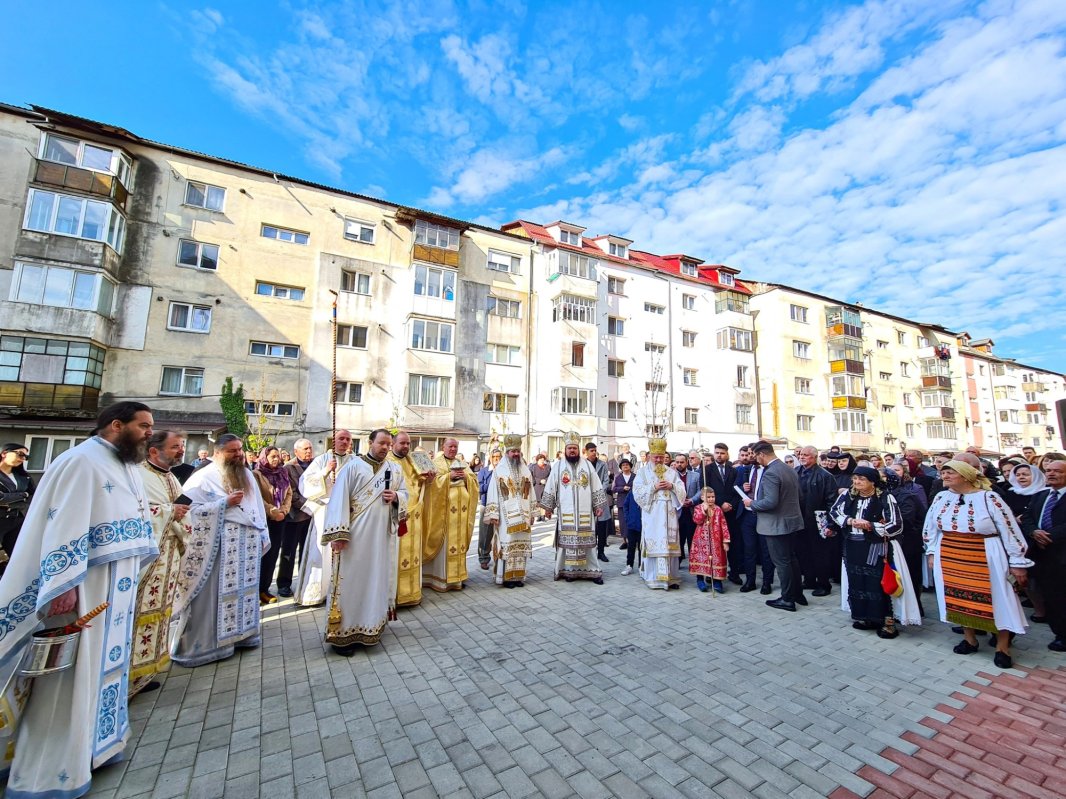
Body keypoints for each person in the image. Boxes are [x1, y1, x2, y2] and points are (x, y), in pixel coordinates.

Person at [0, 402, 156, 799]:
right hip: (82, 587)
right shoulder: (80, 461)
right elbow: (62, 523)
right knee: (70, 677)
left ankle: (97, 747)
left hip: (113, 588)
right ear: (116, 425)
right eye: (144, 426)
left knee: (103, 669)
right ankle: (50, 771)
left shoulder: (127, 465)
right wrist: (62, 583)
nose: (149, 433)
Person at [171, 434, 269, 667]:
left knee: (244, 592)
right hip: (217, 549)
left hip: (245, 548)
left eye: (239, 450)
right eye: (232, 451)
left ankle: (243, 636)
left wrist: (263, 531)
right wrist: (223, 504)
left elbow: (256, 506)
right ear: (217, 453)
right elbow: (186, 511)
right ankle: (205, 648)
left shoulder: (246, 474)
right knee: (213, 597)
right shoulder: (201, 478)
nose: (238, 455)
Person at [924, 459, 1032, 668]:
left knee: (999, 598)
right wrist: (931, 551)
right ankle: (970, 639)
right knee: (958, 596)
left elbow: (1009, 529)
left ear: (966, 476)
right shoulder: (940, 497)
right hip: (950, 553)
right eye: (943, 472)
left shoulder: (989, 497)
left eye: (950, 472)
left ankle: (1002, 647)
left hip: (986, 553)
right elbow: (931, 526)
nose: (944, 476)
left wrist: (1017, 561)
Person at [321, 429, 406, 655]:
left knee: (375, 581)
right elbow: (338, 500)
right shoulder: (353, 467)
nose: (386, 448)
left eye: (389, 444)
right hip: (355, 540)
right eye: (381, 443)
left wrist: (397, 498)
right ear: (370, 443)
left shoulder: (395, 469)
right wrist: (338, 534)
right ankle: (343, 636)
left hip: (381, 540)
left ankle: (370, 627)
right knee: (350, 583)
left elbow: (407, 494)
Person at [130, 430, 190, 696]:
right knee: (139, 614)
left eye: (181, 446)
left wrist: (177, 513)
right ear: (154, 451)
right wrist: (169, 512)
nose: (181, 451)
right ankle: (130, 673)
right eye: (176, 446)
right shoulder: (138, 475)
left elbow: (180, 510)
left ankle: (148, 669)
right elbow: (133, 512)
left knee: (160, 611)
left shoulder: (171, 477)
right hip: (148, 557)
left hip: (169, 553)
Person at [829, 467, 919, 638]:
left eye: (861, 479)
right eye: (855, 478)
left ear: (872, 481)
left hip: (877, 548)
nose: (856, 482)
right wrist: (849, 520)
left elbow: (896, 525)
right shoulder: (848, 495)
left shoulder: (885, 497)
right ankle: (866, 617)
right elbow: (834, 511)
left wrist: (870, 525)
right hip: (853, 546)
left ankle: (888, 621)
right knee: (857, 581)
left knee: (879, 583)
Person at [294, 430, 355, 606]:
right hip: (325, 512)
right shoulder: (321, 460)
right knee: (321, 552)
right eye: (341, 438)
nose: (344, 442)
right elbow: (305, 484)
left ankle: (342, 591)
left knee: (345, 551)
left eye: (348, 439)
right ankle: (316, 593)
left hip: (347, 512)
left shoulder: (355, 461)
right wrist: (326, 471)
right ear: (333, 441)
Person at [743, 441, 805, 612]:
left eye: (755, 456)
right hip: (791, 521)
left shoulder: (771, 473)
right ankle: (797, 594)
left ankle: (787, 599)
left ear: (762, 454)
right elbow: (798, 495)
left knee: (782, 562)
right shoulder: (788, 469)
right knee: (791, 559)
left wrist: (751, 503)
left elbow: (771, 502)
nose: (755, 459)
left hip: (776, 524)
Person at [539, 434, 609, 583]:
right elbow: (551, 486)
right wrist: (548, 508)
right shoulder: (558, 466)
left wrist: (598, 506)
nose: (572, 451)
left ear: (579, 450)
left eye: (574, 448)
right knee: (567, 542)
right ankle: (569, 571)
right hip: (566, 513)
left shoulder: (587, 465)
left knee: (588, 542)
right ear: (565, 449)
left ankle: (592, 571)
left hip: (585, 513)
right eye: (570, 448)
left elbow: (596, 485)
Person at [1020, 460, 1066, 653]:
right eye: (1048, 471)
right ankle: (1061, 634)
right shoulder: (1041, 495)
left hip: (1062, 552)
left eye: (1057, 471)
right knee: (1051, 596)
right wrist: (1034, 532)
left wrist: (1049, 536)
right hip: (1041, 554)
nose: (1051, 474)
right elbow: (1028, 517)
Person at [387, 431, 435, 607]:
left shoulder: (411, 460)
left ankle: (412, 593)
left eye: (408, 443)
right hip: (397, 515)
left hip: (415, 515)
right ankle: (396, 595)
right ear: (393, 444)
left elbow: (419, 483)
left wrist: (428, 480)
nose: (406, 446)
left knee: (413, 555)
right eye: (402, 443)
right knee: (397, 555)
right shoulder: (388, 462)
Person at [424, 438, 478, 592]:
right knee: (445, 546)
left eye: (456, 446)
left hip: (460, 515)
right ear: (444, 447)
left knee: (458, 545)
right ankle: (442, 579)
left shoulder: (462, 462)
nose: (453, 449)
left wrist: (466, 477)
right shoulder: (436, 463)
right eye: (450, 446)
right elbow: (430, 485)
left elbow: (474, 481)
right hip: (444, 515)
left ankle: (458, 578)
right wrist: (449, 477)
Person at [632, 439, 686, 590]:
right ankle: (654, 578)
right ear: (650, 456)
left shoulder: (671, 472)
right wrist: (653, 487)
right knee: (655, 542)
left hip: (669, 514)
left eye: (661, 457)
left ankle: (671, 578)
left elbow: (682, 490)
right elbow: (637, 492)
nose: (658, 460)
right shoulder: (642, 473)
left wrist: (673, 486)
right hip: (653, 515)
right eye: (656, 456)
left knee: (670, 544)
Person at [483, 435, 535, 587]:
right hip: (505, 517)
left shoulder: (525, 469)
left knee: (521, 545)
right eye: (513, 452)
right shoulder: (499, 470)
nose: (516, 454)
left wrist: (532, 512)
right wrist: (494, 514)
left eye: (518, 451)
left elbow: (530, 491)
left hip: (524, 515)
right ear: (507, 452)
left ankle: (518, 577)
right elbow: (493, 492)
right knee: (507, 546)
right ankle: (505, 578)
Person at [795, 445, 839, 597]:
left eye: (806, 455)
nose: (802, 457)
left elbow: (832, 501)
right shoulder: (796, 472)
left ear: (814, 457)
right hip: (800, 521)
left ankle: (823, 584)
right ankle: (809, 580)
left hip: (818, 521)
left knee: (820, 554)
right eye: (801, 454)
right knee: (804, 552)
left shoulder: (825, 476)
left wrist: (831, 524)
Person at [253, 446, 291, 604]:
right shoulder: (256, 474)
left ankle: (264, 589)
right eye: (272, 457)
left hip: (280, 519)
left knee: (273, 554)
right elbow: (256, 496)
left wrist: (283, 511)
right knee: (261, 554)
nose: (276, 459)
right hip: (264, 519)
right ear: (264, 458)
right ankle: (255, 590)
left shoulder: (283, 472)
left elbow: (289, 493)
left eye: (277, 456)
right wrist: (273, 512)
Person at [277, 439, 314, 598]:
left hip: (311, 517)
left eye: (310, 448)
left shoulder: (315, 464)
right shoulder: (288, 468)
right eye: (305, 449)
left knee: (307, 550)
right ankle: (284, 584)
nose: (308, 451)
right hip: (294, 516)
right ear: (296, 451)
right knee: (289, 552)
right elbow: (291, 493)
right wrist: (310, 506)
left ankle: (304, 580)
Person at [698, 445, 739, 583]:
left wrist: (731, 504)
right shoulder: (706, 470)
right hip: (714, 511)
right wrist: (721, 504)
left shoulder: (733, 470)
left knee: (732, 543)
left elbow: (736, 489)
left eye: (722, 453)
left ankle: (734, 572)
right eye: (717, 453)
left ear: (727, 454)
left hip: (730, 511)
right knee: (713, 544)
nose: (719, 455)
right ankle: (712, 573)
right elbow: (705, 489)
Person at [734, 445, 773, 593]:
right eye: (748, 453)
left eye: (753, 453)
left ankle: (767, 583)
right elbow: (735, 487)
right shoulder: (745, 470)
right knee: (749, 550)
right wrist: (742, 487)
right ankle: (750, 581)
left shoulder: (769, 471)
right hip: (747, 515)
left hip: (764, 515)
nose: (750, 456)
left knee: (765, 551)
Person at [0, 443, 35, 576]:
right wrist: (22, 495)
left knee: (19, 557)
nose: (22, 458)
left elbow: (33, 496)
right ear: (4, 453)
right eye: (19, 454)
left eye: (26, 456)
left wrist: (10, 499)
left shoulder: (23, 478)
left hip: (16, 520)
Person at [691, 487, 730, 593]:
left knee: (716, 560)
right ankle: (700, 580)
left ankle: (717, 581)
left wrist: (725, 541)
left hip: (716, 541)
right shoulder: (698, 508)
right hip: (701, 539)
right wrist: (704, 510)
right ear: (702, 497)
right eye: (708, 497)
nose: (711, 499)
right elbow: (697, 520)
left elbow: (724, 525)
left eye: (713, 497)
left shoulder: (718, 509)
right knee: (701, 559)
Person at [585, 443, 613, 562]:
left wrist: (599, 491)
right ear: (586, 452)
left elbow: (606, 480)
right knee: (589, 527)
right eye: (591, 451)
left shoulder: (603, 464)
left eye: (595, 451)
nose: (593, 453)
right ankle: (589, 552)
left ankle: (601, 552)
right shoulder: (583, 464)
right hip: (586, 499)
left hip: (601, 498)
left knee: (602, 527)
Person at [476, 449, 503, 569]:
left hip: (502, 506)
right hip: (486, 504)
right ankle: (484, 557)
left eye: (499, 456)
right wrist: (493, 483)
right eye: (494, 457)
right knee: (485, 533)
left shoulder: (504, 471)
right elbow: (480, 488)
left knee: (501, 532)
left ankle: (499, 556)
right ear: (490, 458)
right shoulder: (484, 471)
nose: (497, 459)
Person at [673, 453, 700, 562]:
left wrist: (692, 500)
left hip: (691, 511)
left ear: (687, 462)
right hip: (677, 512)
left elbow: (700, 490)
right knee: (678, 539)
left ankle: (694, 562)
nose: (679, 464)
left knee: (692, 538)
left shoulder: (696, 476)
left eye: (682, 462)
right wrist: (679, 502)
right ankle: (677, 563)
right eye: (677, 462)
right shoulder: (671, 476)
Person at [613, 457, 636, 566]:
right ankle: (624, 541)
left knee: (632, 521)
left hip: (633, 501)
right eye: (623, 465)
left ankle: (633, 541)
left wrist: (630, 488)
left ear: (630, 466)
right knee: (623, 522)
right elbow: (614, 489)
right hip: (622, 502)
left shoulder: (635, 476)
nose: (625, 467)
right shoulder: (618, 477)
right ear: (621, 468)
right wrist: (623, 488)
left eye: (627, 465)